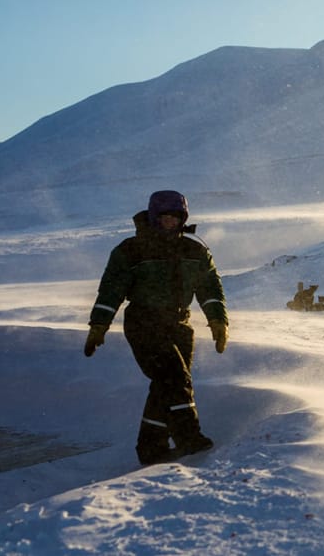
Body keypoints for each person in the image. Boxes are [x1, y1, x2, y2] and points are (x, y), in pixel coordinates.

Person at [83, 190, 229, 465]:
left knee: (165, 384)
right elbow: (111, 290)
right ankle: (189, 437)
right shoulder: (131, 250)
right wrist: (99, 325)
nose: (170, 222)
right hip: (143, 322)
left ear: (183, 218)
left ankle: (151, 448)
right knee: (175, 376)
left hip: (180, 324)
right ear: (153, 217)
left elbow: (210, 289)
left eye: (175, 217)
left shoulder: (195, 250)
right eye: (164, 217)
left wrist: (218, 321)